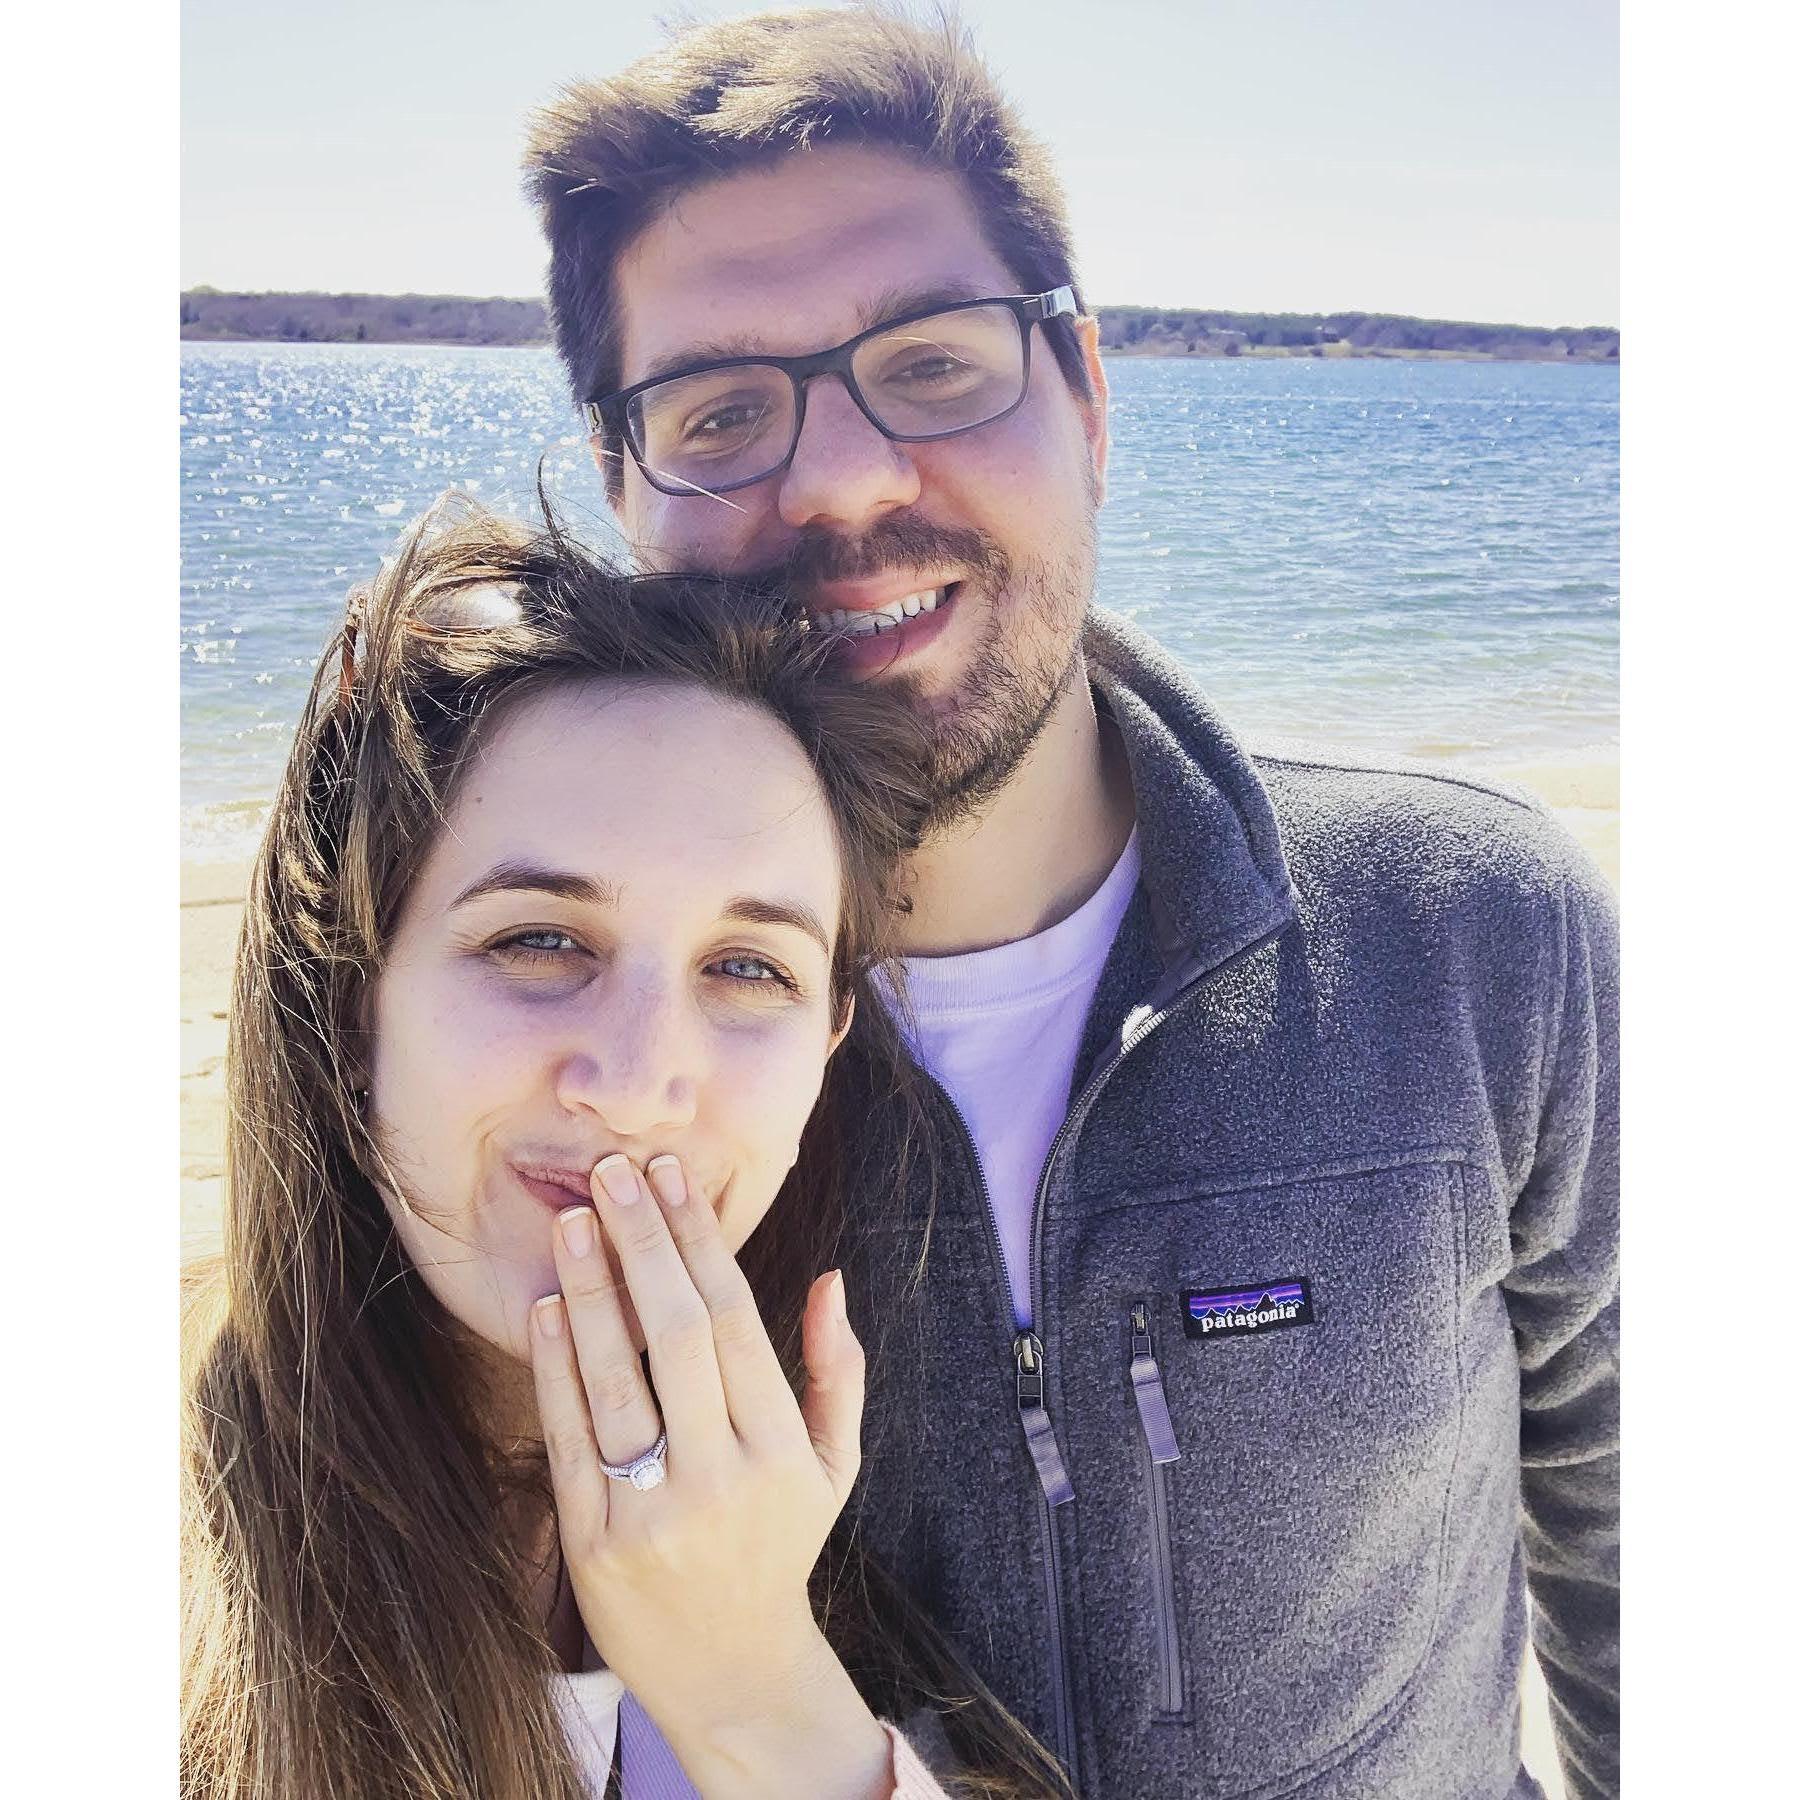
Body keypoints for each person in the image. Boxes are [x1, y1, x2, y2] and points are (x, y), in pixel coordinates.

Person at [523, 9, 1621, 1798]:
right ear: (627, 483)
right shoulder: (581, 1080)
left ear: (1090, 398)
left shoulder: (1476, 941)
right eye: (722, 410)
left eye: (936, 365)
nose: (849, 478)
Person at [180, 497, 1076, 1799]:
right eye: (538, 940)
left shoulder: (875, 1546)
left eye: (745, 967)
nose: (644, 1085)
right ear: (354, 999)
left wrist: (759, 1693)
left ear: (829, 1036)